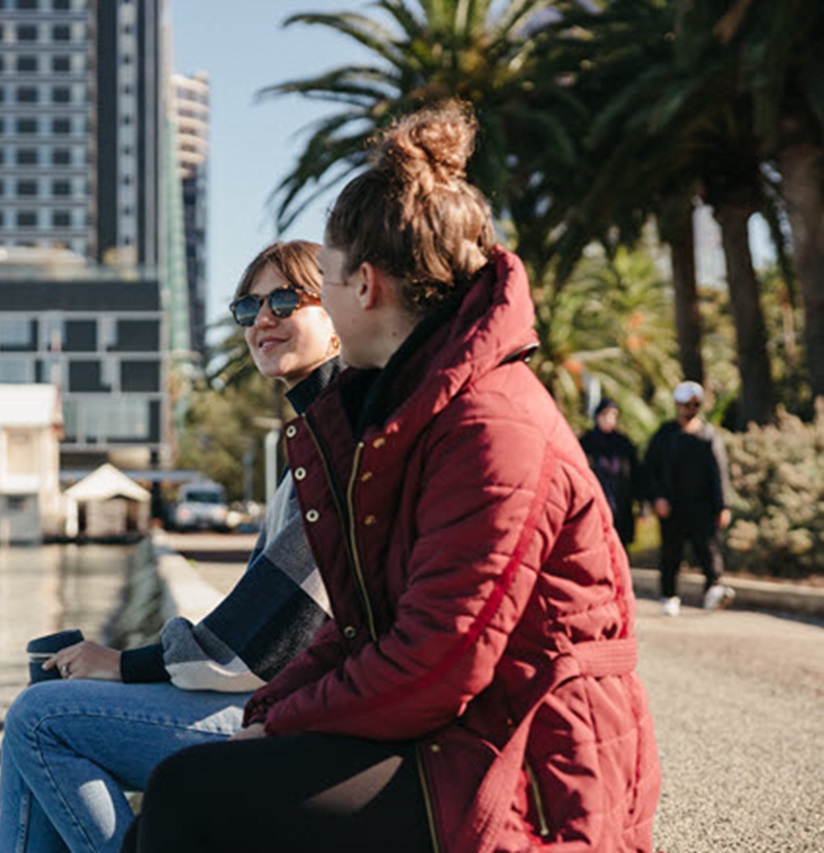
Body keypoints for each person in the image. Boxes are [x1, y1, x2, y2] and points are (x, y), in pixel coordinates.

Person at [126, 101, 660, 853]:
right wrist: (266, 713)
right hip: (457, 737)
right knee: (189, 791)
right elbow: (361, 628)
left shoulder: (488, 425)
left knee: (190, 795)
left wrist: (276, 725)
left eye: (326, 280)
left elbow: (436, 663)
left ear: (365, 286)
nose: (322, 301)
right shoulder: (410, 410)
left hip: (527, 773)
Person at [0, 240, 341, 853]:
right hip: (292, 701)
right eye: (248, 307)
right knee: (42, 706)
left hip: (303, 720)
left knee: (39, 719)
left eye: (285, 300)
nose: (263, 319)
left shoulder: (337, 444)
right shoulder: (310, 441)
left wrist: (126, 665)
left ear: (339, 316)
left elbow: (274, 635)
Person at [643, 380, 735, 616]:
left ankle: (714, 588)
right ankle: (669, 596)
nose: (690, 409)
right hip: (671, 506)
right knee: (671, 553)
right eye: (685, 404)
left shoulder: (708, 436)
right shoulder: (664, 436)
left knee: (708, 549)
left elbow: (719, 472)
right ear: (677, 405)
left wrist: (723, 505)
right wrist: (657, 498)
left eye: (695, 405)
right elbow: (650, 470)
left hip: (701, 507)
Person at [580, 397, 642, 547]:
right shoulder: (586, 442)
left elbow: (637, 475)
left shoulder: (623, 443)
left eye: (613, 415)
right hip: (595, 504)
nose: (609, 419)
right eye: (605, 414)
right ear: (597, 416)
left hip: (620, 504)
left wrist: (641, 503)